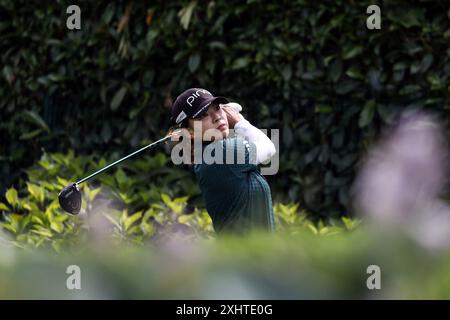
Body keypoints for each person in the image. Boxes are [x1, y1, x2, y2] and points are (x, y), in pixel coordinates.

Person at [169, 88, 276, 234]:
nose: (217, 117)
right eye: (202, 116)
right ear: (190, 131)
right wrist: (239, 121)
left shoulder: (211, 152)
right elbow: (268, 148)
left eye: (217, 108)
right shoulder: (220, 153)